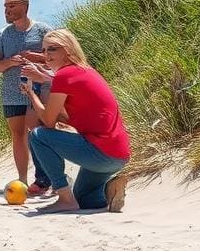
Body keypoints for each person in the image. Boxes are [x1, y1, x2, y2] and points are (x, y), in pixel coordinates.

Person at [21, 28, 130, 212]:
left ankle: (64, 198)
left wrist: (31, 94)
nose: (46, 55)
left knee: (38, 135)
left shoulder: (64, 75)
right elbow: (68, 118)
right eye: (44, 50)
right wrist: (45, 82)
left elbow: (47, 122)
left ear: (68, 50)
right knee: (84, 200)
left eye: (52, 49)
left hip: (101, 153)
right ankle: (109, 190)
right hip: (118, 156)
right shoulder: (84, 71)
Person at [0, 0, 52, 194]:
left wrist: (34, 57)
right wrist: (10, 61)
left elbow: (56, 58)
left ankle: (46, 178)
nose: (6, 10)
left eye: (11, 6)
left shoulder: (43, 30)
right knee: (17, 135)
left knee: (38, 133)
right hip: (11, 91)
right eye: (5, 6)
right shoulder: (2, 35)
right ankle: (22, 180)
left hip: (38, 90)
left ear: (24, 7)